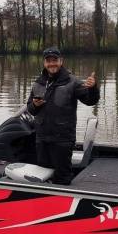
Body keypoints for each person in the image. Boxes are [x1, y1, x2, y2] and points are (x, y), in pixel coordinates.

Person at [26, 47, 99, 185]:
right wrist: (35, 105)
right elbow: (31, 109)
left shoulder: (72, 82)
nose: (52, 64)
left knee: (62, 178)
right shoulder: (38, 83)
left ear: (61, 61)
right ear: (44, 63)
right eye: (49, 61)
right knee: (42, 177)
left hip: (63, 140)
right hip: (41, 139)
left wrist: (93, 88)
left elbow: (91, 101)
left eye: (55, 60)